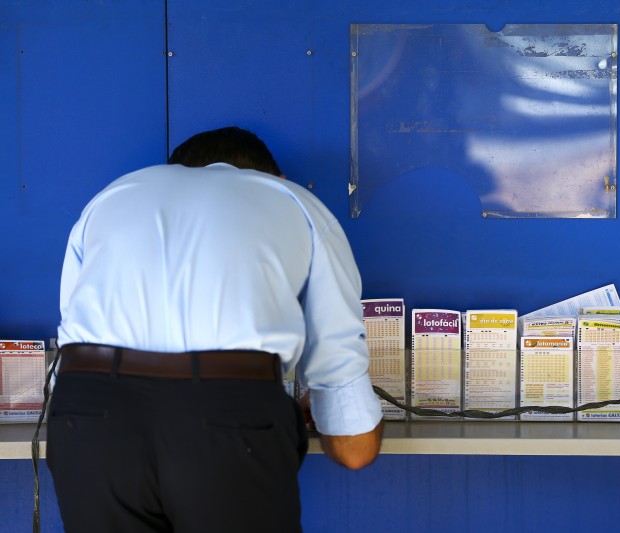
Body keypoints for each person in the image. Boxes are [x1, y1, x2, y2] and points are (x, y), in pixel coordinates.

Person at [47, 126, 384, 533]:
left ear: (174, 173)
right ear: (275, 179)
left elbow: (74, 336)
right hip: (229, 420)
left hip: (86, 418)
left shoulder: (112, 197)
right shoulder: (292, 200)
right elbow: (353, 444)